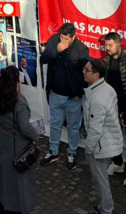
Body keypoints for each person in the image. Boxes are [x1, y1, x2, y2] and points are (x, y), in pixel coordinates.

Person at [0, 65, 38, 214]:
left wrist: (5, 127)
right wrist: (35, 136)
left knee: (6, 180)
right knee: (20, 182)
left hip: (5, 145)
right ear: (17, 82)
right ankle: (17, 208)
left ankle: (5, 206)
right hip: (20, 148)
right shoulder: (19, 102)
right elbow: (25, 127)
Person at [40, 23, 89, 170]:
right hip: (55, 94)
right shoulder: (54, 40)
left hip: (72, 98)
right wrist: (56, 50)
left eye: (66, 39)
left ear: (74, 36)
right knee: (55, 124)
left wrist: (79, 93)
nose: (63, 41)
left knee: (74, 127)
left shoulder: (82, 49)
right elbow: (44, 59)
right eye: (62, 37)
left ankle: (72, 153)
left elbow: (86, 74)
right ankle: (53, 151)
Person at [82, 58, 123, 214]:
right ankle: (106, 206)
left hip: (100, 146)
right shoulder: (107, 88)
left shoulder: (97, 98)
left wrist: (88, 149)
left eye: (87, 70)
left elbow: (95, 130)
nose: (84, 72)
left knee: (100, 181)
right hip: (107, 142)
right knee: (101, 179)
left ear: (96, 74)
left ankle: (106, 209)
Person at [104, 31, 126, 187]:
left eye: (110, 45)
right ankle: (118, 163)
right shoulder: (106, 61)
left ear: (119, 44)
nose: (107, 48)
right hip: (112, 108)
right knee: (113, 138)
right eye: (106, 45)